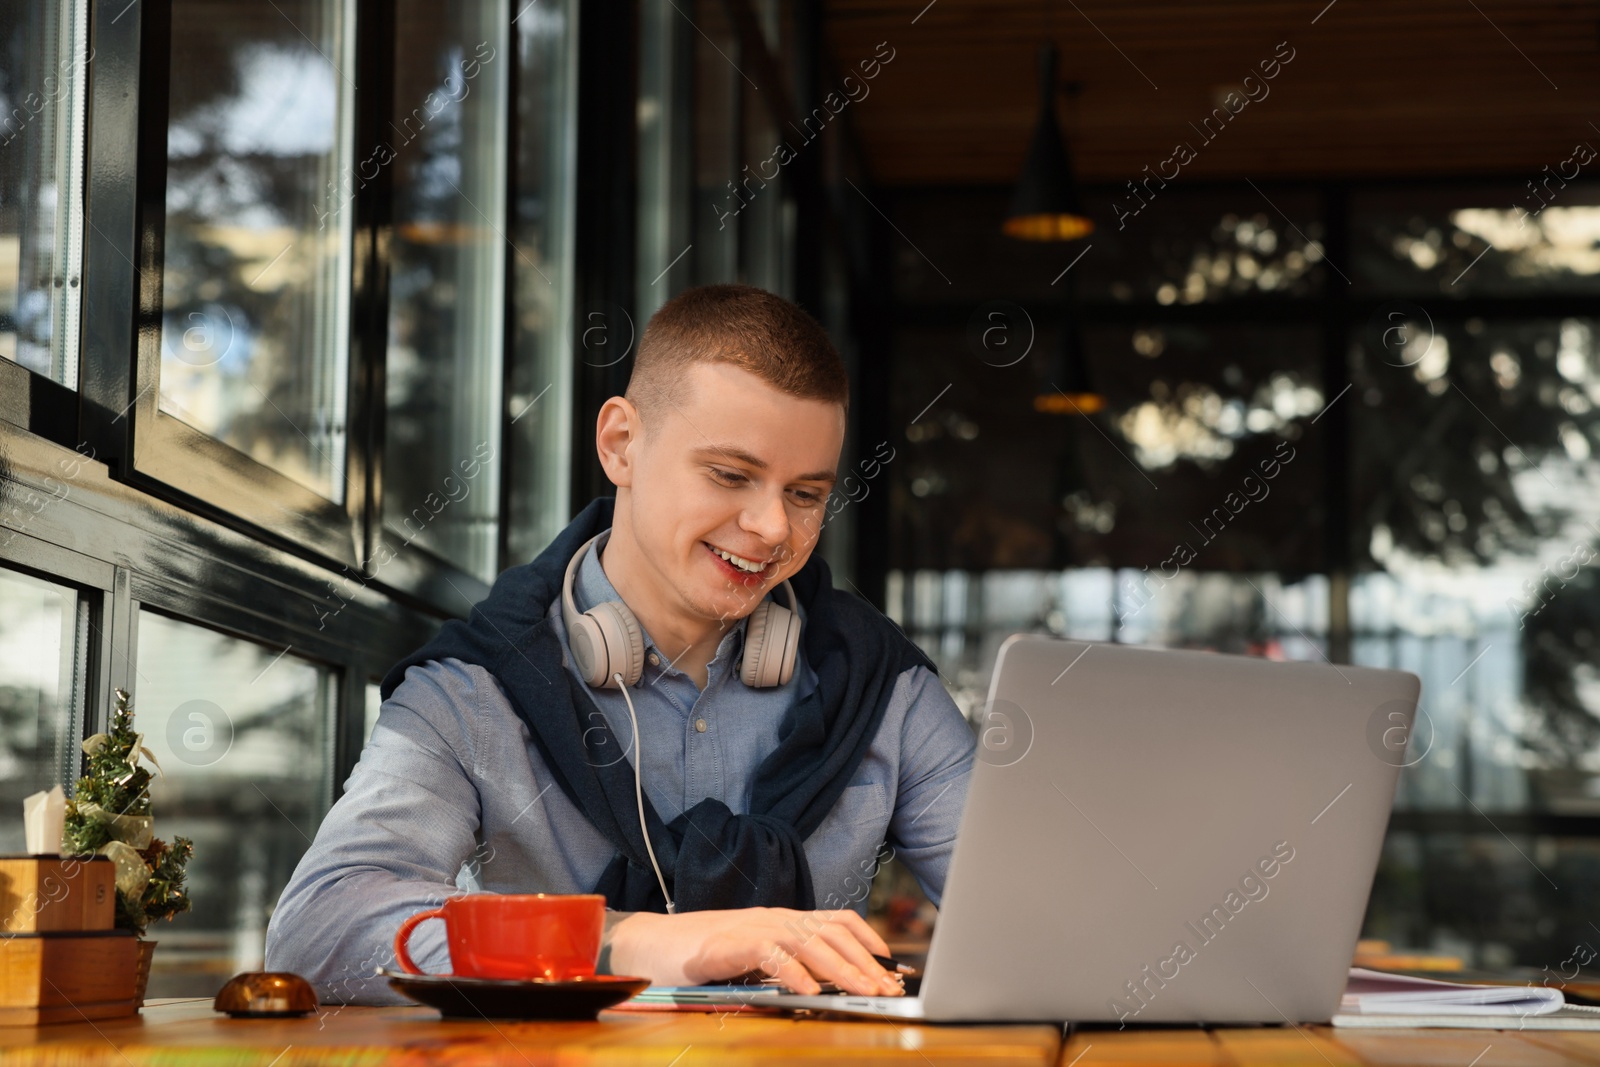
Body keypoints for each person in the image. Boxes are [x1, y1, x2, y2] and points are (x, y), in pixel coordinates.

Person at [264, 284, 975, 1003]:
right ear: (621, 445)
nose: (770, 527)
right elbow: (320, 929)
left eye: (805, 494)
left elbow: (1044, 921)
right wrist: (633, 940)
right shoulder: (474, 686)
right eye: (731, 475)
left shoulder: (888, 688)